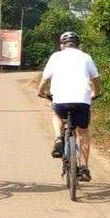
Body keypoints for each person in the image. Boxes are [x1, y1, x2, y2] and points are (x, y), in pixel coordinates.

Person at [36, 30, 100, 182]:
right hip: (82, 101)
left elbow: (44, 80)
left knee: (57, 114)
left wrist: (40, 92)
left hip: (61, 100)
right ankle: (84, 168)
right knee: (83, 132)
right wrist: (96, 93)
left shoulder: (55, 56)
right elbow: (96, 79)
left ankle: (59, 138)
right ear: (79, 45)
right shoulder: (86, 57)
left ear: (61, 45)